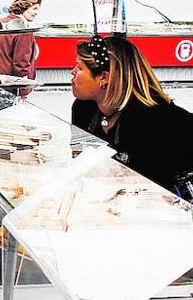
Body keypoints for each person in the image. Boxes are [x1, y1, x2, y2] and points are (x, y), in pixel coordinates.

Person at [71, 35, 193, 194]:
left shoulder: (154, 119)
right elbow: (81, 163)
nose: (72, 72)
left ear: (104, 77)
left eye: (79, 68)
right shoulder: (83, 108)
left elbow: (151, 188)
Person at [0, 0, 42, 98]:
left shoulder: (0, 23)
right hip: (11, 84)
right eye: (34, 9)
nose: (36, 13)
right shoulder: (23, 30)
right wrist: (23, 89)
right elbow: (21, 64)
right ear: (24, 8)